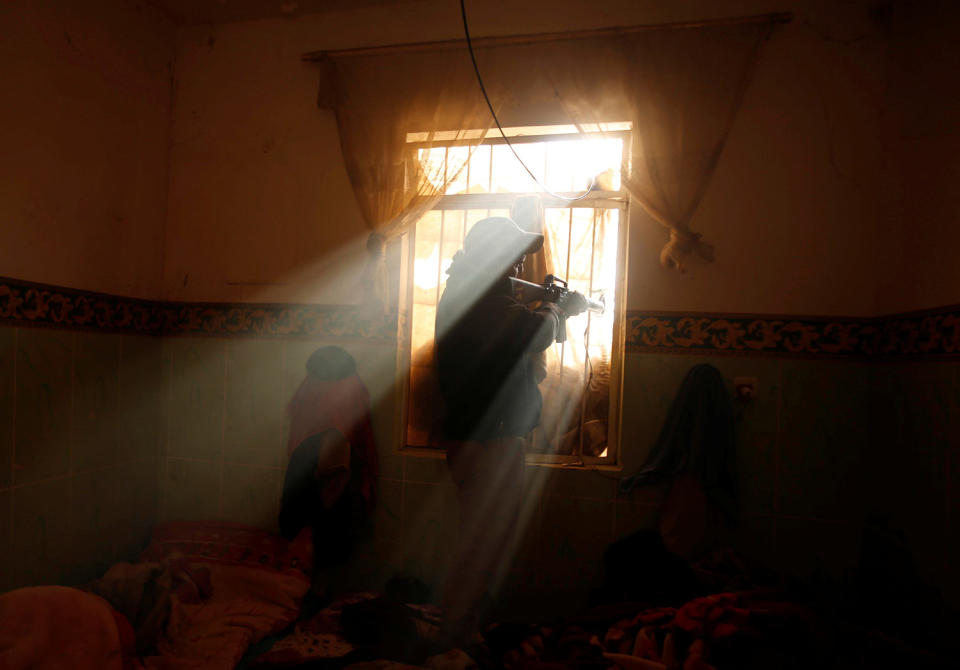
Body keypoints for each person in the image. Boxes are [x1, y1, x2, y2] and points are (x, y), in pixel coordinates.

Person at [434, 216, 585, 643]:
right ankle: (455, 640)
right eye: (514, 255)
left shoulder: (484, 295)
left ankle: (462, 631)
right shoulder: (479, 297)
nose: (521, 264)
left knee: (485, 542)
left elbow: (518, 342)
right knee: (481, 544)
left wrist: (553, 310)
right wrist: (557, 308)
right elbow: (532, 333)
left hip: (490, 436)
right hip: (488, 439)